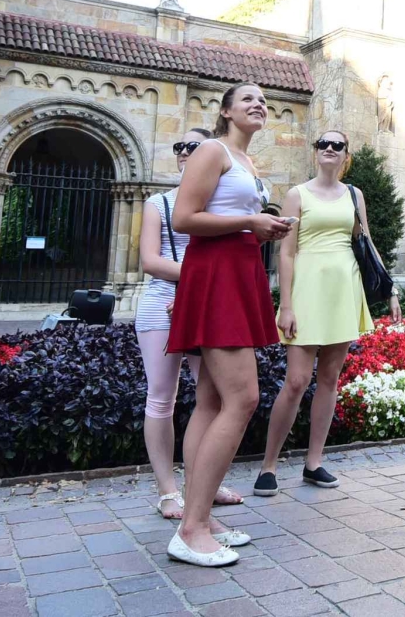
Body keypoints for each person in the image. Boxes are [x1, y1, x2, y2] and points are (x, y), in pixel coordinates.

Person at [166, 83, 291, 567]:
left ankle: (202, 516)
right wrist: (250, 224)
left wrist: (263, 226)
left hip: (239, 274)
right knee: (243, 398)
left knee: (213, 401)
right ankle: (191, 527)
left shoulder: (248, 163)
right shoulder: (211, 150)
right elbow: (183, 217)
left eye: (263, 100)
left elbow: (234, 217)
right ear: (225, 111)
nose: (258, 104)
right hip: (216, 275)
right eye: (247, 99)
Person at [254, 131, 402, 495]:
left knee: (330, 379)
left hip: (343, 290)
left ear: (345, 155)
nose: (330, 149)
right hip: (307, 290)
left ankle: (314, 462)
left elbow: (366, 242)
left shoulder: (354, 194)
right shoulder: (297, 195)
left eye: (337, 145)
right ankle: (269, 465)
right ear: (315, 152)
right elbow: (285, 253)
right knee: (296, 380)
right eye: (324, 144)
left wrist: (391, 289)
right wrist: (285, 304)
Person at [135, 126, 243, 520]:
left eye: (193, 146)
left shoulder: (222, 206)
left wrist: (201, 287)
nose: (184, 152)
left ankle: (203, 485)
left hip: (204, 304)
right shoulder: (158, 203)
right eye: (179, 146)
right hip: (162, 302)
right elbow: (150, 261)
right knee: (161, 397)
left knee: (211, 399)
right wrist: (196, 279)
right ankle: (168, 491)